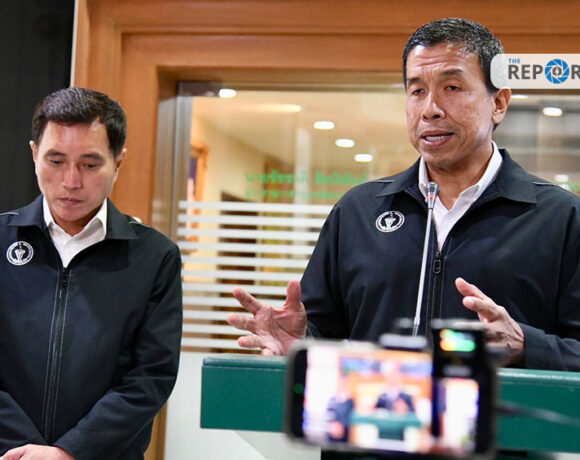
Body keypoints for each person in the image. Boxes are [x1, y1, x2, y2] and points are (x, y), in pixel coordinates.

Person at [227, 17, 580, 371]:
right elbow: (323, 330)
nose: (430, 109)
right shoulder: (359, 211)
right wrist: (302, 343)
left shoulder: (561, 218)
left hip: (507, 410)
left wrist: (526, 345)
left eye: (452, 87)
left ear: (499, 103)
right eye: (417, 91)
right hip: (379, 407)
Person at [0, 88, 183, 460]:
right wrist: (23, 450)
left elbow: (151, 376)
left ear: (118, 162)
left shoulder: (155, 257)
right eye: (56, 160)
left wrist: (69, 452)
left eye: (89, 164)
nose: (70, 181)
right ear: (34, 155)